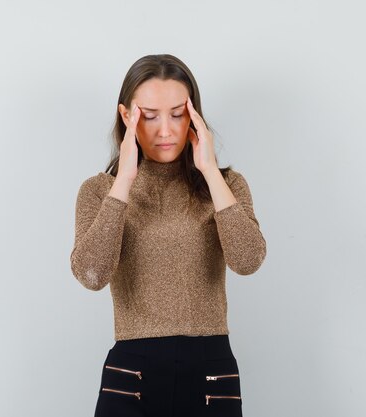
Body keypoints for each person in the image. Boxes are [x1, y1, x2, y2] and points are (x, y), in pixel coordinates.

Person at [70, 54, 267, 417]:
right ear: (127, 116)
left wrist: (209, 171)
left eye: (178, 114)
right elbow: (90, 274)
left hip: (211, 371)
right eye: (149, 115)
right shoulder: (101, 191)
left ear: (195, 117)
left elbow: (248, 260)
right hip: (133, 371)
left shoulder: (227, 186)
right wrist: (125, 180)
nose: (166, 130)